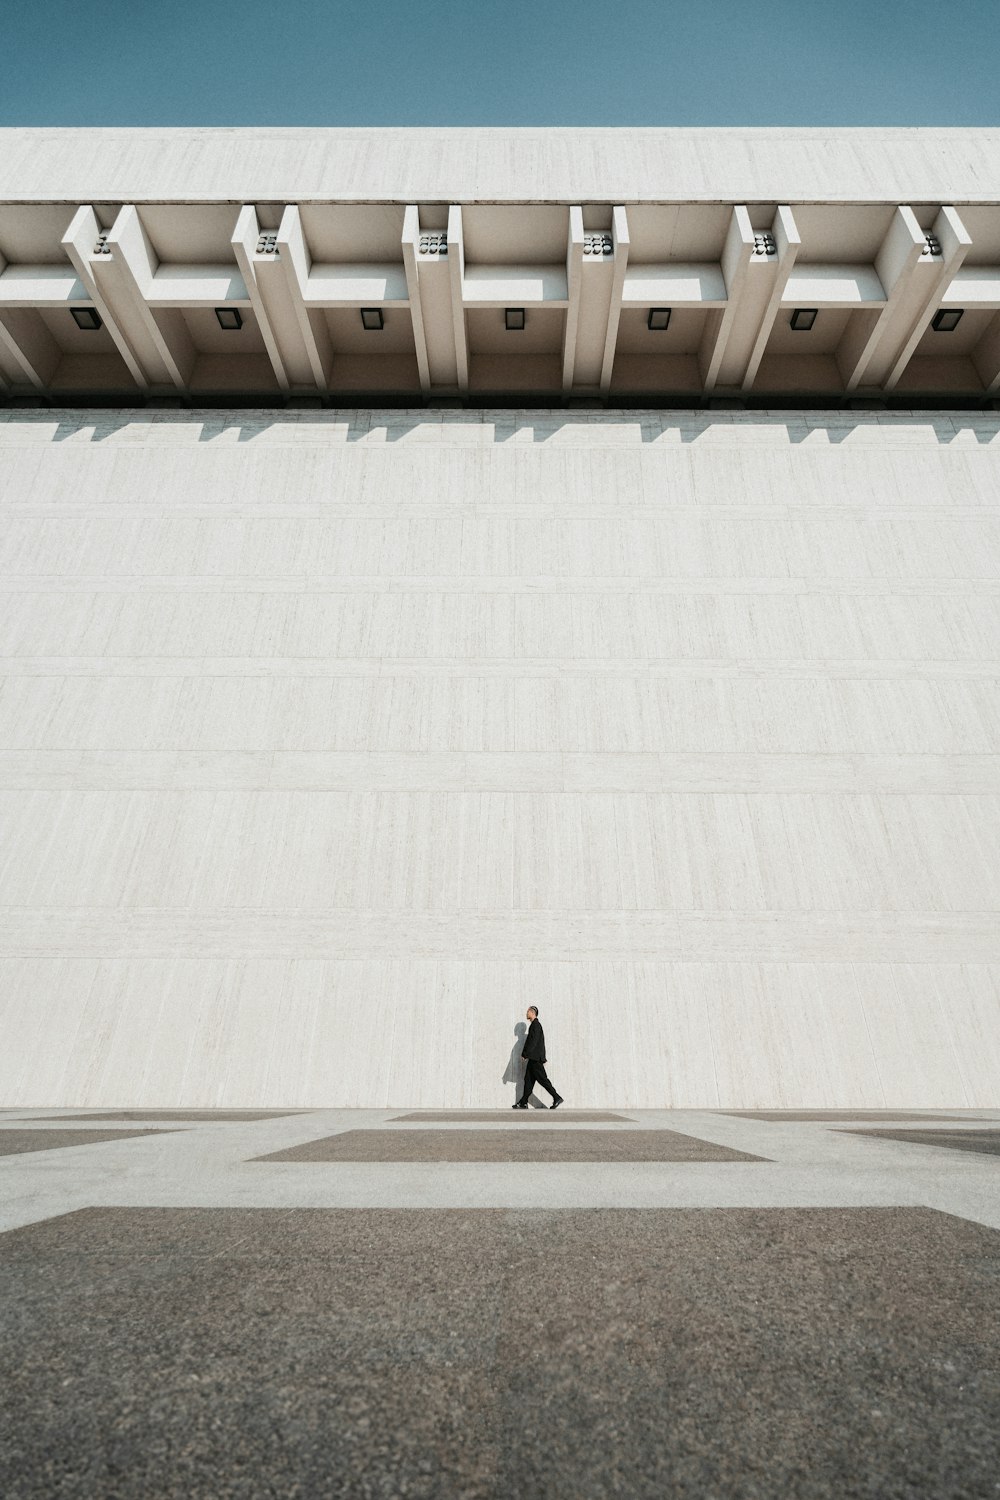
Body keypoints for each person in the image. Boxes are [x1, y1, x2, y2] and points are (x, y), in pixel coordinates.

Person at [512, 1006, 563, 1110]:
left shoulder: (536, 1025)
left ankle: (556, 1097)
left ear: (532, 1012)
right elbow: (540, 1043)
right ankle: (523, 1102)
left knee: (543, 1080)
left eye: (528, 1012)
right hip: (534, 1059)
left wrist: (525, 1054)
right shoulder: (535, 1025)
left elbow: (534, 1042)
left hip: (535, 1059)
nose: (526, 1013)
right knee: (528, 1080)